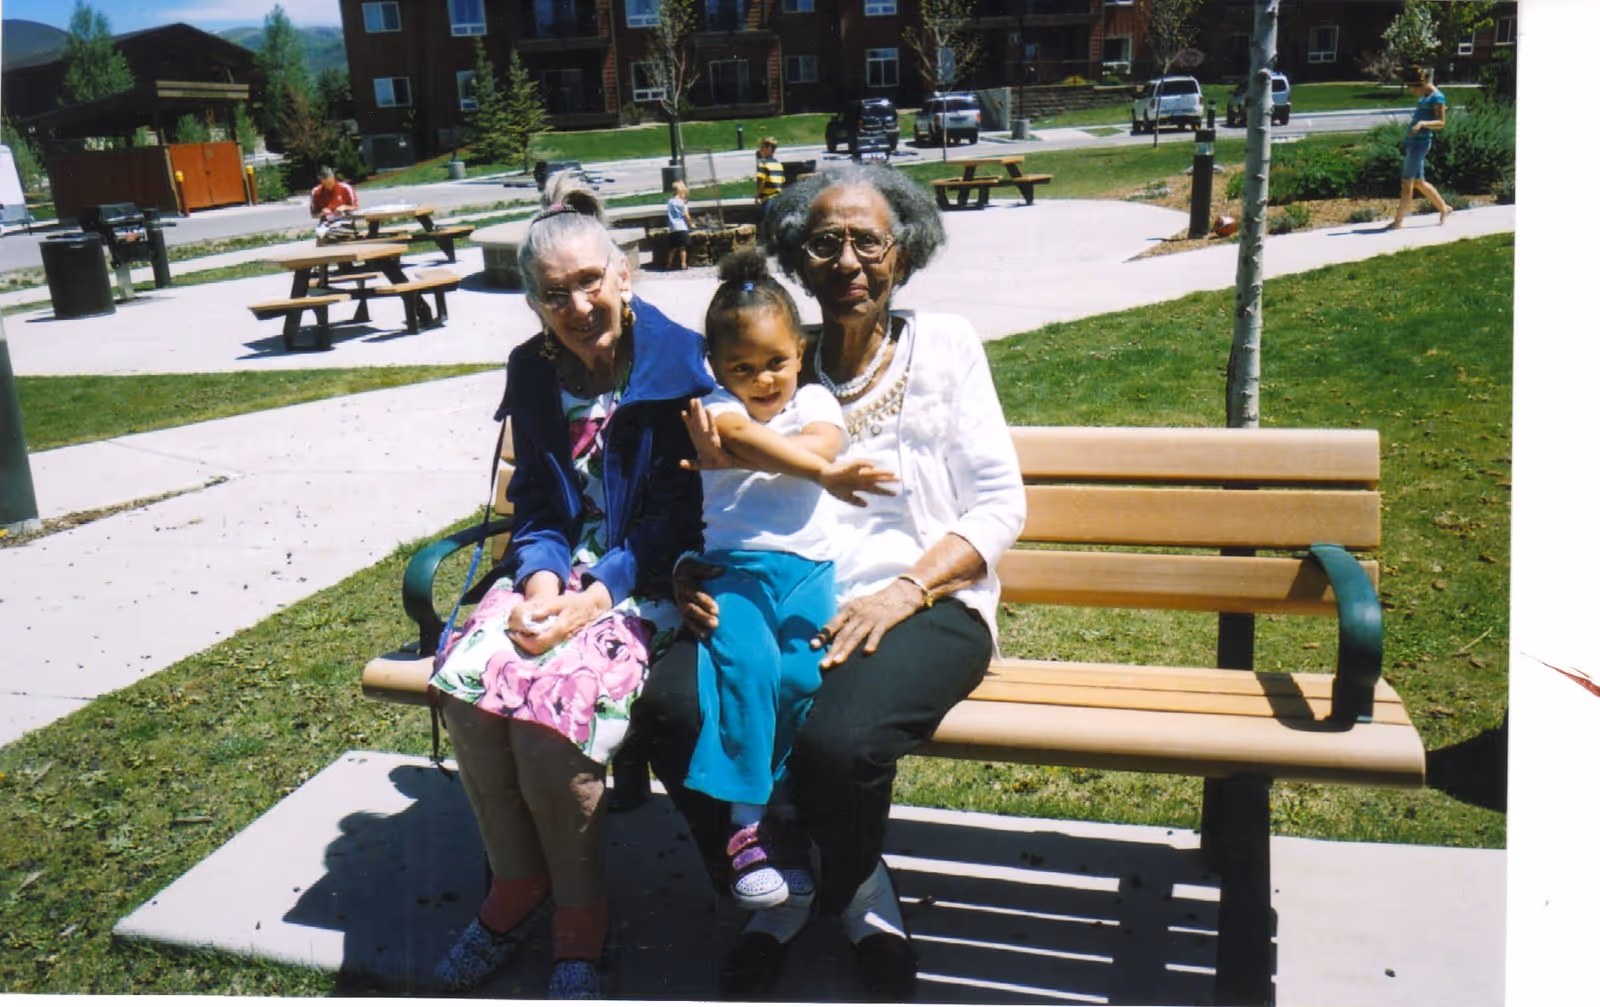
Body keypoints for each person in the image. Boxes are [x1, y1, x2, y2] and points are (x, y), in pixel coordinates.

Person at [636, 162, 1027, 1001]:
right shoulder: (771, 360)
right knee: (671, 705)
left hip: (928, 603)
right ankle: (775, 878)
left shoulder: (946, 346)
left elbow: (1001, 506)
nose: (846, 261)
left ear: (904, 253)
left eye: (867, 242)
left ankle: (853, 888)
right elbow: (696, 485)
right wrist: (684, 566)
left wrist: (908, 589)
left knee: (838, 742)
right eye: (823, 243)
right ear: (797, 261)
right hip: (774, 595)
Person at [426, 171, 714, 997]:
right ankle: (516, 888)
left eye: (592, 281)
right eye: (557, 294)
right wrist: (544, 578)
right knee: (474, 694)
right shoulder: (535, 368)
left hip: (653, 577)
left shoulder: (680, 362)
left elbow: (677, 515)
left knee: (548, 724)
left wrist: (592, 598)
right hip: (563, 573)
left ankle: (580, 916)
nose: (579, 304)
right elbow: (540, 501)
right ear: (534, 305)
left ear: (624, 274)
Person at [680, 248, 898, 911]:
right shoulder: (715, 404)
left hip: (808, 573)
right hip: (736, 573)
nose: (762, 378)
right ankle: (747, 826)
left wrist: (775, 455)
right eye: (741, 367)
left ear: (800, 352)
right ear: (717, 368)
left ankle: (784, 809)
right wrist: (816, 473)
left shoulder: (814, 397)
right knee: (744, 664)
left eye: (775, 361)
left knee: (800, 676)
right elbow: (750, 438)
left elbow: (818, 444)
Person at [1386, 66, 1452, 230]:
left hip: (1420, 144)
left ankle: (1399, 221)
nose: (1411, 92)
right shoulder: (1425, 96)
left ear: (1420, 85)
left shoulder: (1438, 98)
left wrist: (1422, 124)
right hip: (1413, 143)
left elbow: (1441, 123)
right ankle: (1444, 208)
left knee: (1406, 183)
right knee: (1419, 182)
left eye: (1412, 88)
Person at [310, 166, 359, 243]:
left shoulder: (345, 188)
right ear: (321, 181)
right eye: (325, 184)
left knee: (334, 235)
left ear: (333, 178)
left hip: (344, 221)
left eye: (330, 183)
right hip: (326, 223)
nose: (329, 186)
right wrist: (322, 213)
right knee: (321, 237)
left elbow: (355, 206)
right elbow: (314, 214)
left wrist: (345, 207)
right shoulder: (316, 192)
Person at [666, 179, 694, 270]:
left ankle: (669, 264)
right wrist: (691, 224)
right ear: (682, 191)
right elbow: (686, 215)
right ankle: (683, 264)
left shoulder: (670, 202)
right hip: (682, 227)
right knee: (682, 248)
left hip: (673, 228)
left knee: (673, 248)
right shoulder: (683, 202)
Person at [754, 137, 786, 218]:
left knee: (765, 223)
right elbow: (782, 182)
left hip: (768, 199)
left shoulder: (763, 164)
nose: (760, 150)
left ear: (768, 149)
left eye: (761, 148)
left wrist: (757, 196)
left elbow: (761, 181)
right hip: (779, 198)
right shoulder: (779, 165)